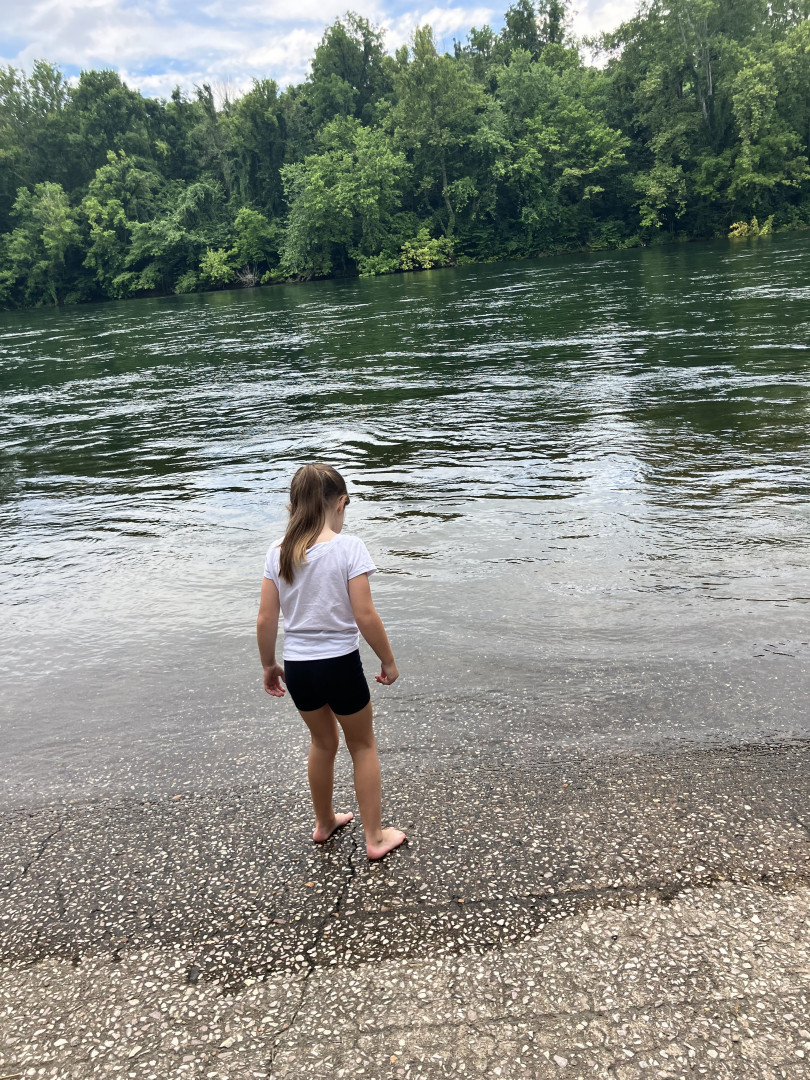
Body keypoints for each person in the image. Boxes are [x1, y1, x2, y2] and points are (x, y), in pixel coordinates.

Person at [257, 463, 406, 860]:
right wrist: (388, 660)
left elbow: (266, 618)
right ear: (341, 504)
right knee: (363, 745)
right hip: (340, 664)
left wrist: (268, 665)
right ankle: (375, 837)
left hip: (299, 668)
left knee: (322, 743)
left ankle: (324, 822)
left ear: (292, 508)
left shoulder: (277, 552)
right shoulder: (348, 547)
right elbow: (365, 615)